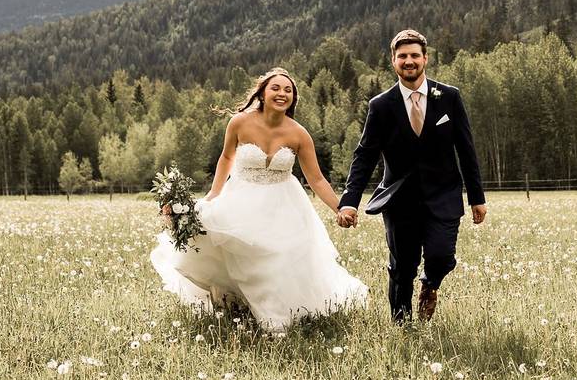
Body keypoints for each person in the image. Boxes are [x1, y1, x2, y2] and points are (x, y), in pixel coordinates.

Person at [150, 68, 368, 332]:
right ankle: (242, 306)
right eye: (276, 88)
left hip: (284, 204)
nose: (282, 93)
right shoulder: (240, 122)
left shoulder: (299, 134)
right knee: (238, 251)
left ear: (293, 99)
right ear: (263, 93)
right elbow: (226, 158)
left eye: (288, 90)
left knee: (278, 258)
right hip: (242, 197)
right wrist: (213, 195)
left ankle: (278, 315)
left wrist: (340, 208)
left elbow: (317, 179)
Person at [337, 29, 486, 322]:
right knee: (402, 266)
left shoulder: (449, 97)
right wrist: (349, 201)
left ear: (425, 58)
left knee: (442, 256)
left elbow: (466, 150)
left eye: (414, 55)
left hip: (443, 195)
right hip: (399, 199)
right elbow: (364, 155)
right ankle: (402, 325)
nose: (409, 61)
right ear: (393, 61)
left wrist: (477, 197)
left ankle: (430, 285)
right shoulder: (380, 106)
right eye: (402, 56)